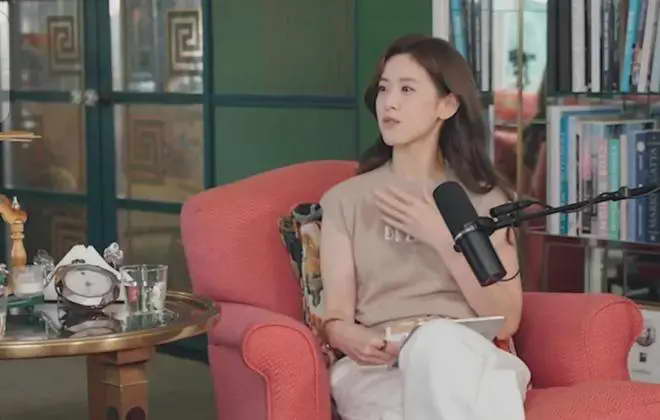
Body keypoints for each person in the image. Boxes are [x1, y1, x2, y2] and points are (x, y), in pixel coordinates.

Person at [319, 35, 531, 420]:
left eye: (406, 89)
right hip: (380, 367)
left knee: (436, 346)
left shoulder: (485, 199)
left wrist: (443, 238)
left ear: (446, 105)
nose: (389, 102)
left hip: (467, 356)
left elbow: (506, 319)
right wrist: (345, 334)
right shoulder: (345, 200)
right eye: (384, 89)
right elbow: (337, 315)